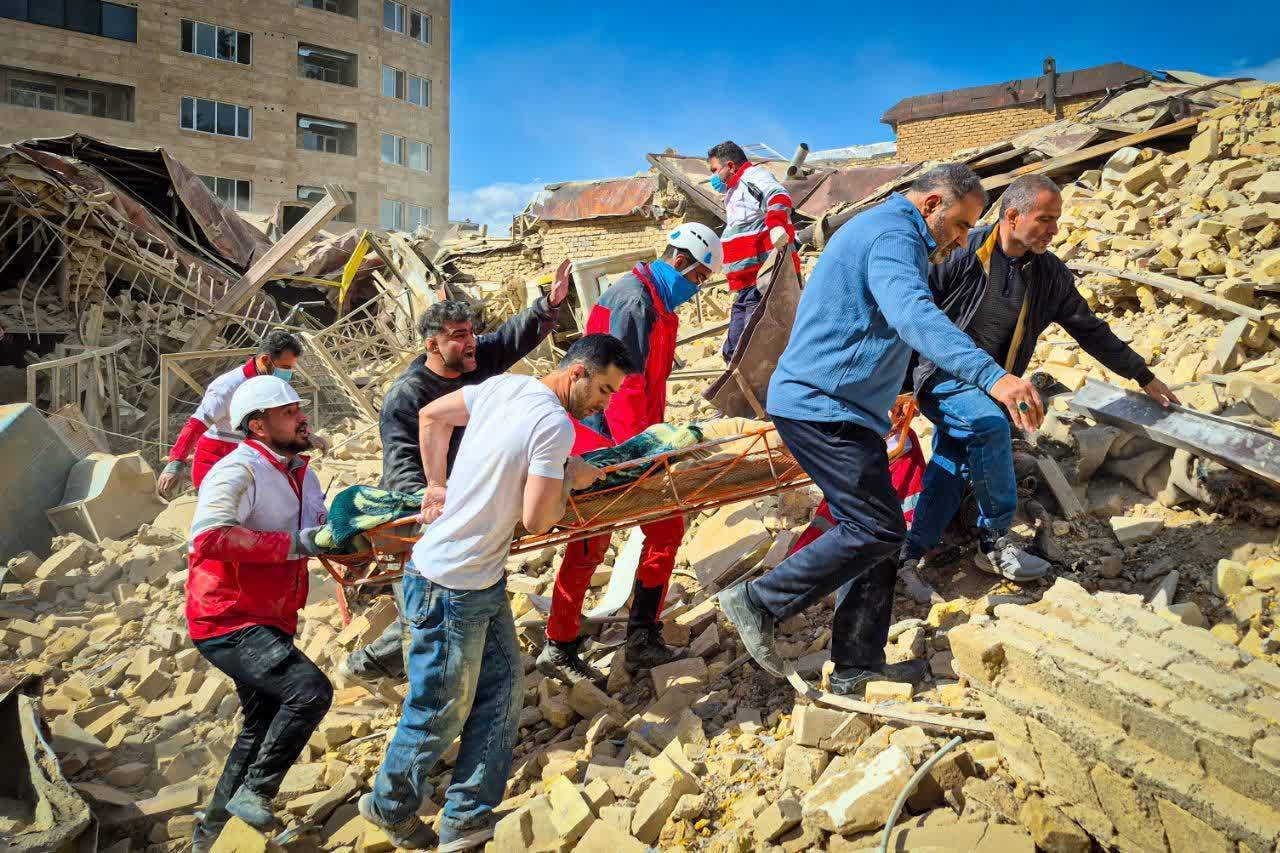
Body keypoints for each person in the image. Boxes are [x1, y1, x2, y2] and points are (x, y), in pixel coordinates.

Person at [716, 164, 1045, 697]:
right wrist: (993, 377)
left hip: (843, 406)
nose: (963, 240)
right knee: (876, 529)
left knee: (876, 533)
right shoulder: (894, 235)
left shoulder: (889, 231)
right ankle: (759, 601)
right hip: (821, 407)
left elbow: (871, 322)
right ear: (932, 204)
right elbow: (912, 315)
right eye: (961, 226)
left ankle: (856, 668)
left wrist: (895, 388)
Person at [358, 334, 636, 851]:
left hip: (477, 579)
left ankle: (466, 818)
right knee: (439, 707)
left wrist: (436, 484)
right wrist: (570, 478)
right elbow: (536, 521)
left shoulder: (504, 387)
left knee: (504, 692)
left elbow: (432, 418)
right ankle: (389, 806)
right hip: (449, 584)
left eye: (612, 393)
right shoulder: (554, 426)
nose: (605, 402)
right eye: (602, 388)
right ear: (575, 373)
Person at [898, 174, 1179, 598]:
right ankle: (995, 538)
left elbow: (1090, 329)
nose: (1054, 230)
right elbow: (909, 317)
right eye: (1045, 219)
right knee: (991, 425)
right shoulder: (960, 254)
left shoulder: (1048, 274)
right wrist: (898, 388)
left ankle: (911, 553)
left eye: (1057, 221)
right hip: (941, 374)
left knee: (955, 455)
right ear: (1012, 216)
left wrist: (1142, 374)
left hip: (997, 382)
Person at [337, 272, 568, 688]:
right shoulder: (408, 395)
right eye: (459, 336)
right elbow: (402, 460)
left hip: (465, 495)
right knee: (422, 608)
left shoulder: (474, 363)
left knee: (438, 602)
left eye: (471, 333)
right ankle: (416, 690)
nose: (471, 342)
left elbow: (511, 338)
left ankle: (375, 662)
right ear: (433, 345)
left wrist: (547, 306)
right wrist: (427, 502)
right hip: (427, 503)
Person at [537, 224, 723, 686]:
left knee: (639, 532)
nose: (695, 289)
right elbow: (623, 391)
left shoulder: (656, 304)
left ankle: (617, 637)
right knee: (602, 537)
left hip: (626, 437)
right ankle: (582, 643)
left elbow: (648, 387)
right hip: (603, 440)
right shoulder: (634, 303)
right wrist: (643, 455)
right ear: (680, 262)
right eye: (698, 278)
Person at [185, 375, 331, 850]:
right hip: (228, 618)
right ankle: (256, 791)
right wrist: (293, 544)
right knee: (309, 691)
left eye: (298, 408)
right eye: (289, 412)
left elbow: (320, 529)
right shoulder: (238, 471)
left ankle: (211, 835)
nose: (302, 416)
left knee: (262, 722)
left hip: (271, 616)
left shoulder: (301, 473)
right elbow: (208, 538)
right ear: (259, 426)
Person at [157, 330, 325, 497]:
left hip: (253, 459)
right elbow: (196, 424)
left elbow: (289, 415)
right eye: (285, 368)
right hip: (217, 461)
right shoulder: (227, 386)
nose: (288, 374)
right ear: (265, 360)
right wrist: (176, 461)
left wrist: (308, 435)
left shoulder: (273, 384)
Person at [707, 140, 798, 362]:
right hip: (746, 285)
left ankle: (762, 393)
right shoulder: (733, 191)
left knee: (752, 349)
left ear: (730, 165)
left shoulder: (753, 177)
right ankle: (741, 392)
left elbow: (778, 197)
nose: (713, 177)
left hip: (762, 282)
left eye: (715, 170)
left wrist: (776, 225)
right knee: (734, 350)